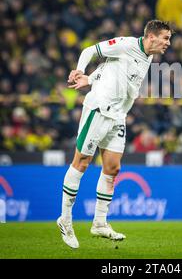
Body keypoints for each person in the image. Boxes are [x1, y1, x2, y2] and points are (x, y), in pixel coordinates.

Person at [57, 20, 173, 249]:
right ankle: (65, 219)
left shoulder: (148, 56)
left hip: (118, 117)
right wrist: (81, 70)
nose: (168, 43)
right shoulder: (125, 44)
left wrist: (91, 79)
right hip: (99, 109)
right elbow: (90, 50)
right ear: (152, 37)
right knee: (81, 162)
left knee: (112, 168)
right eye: (166, 38)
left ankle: (99, 222)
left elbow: (111, 72)